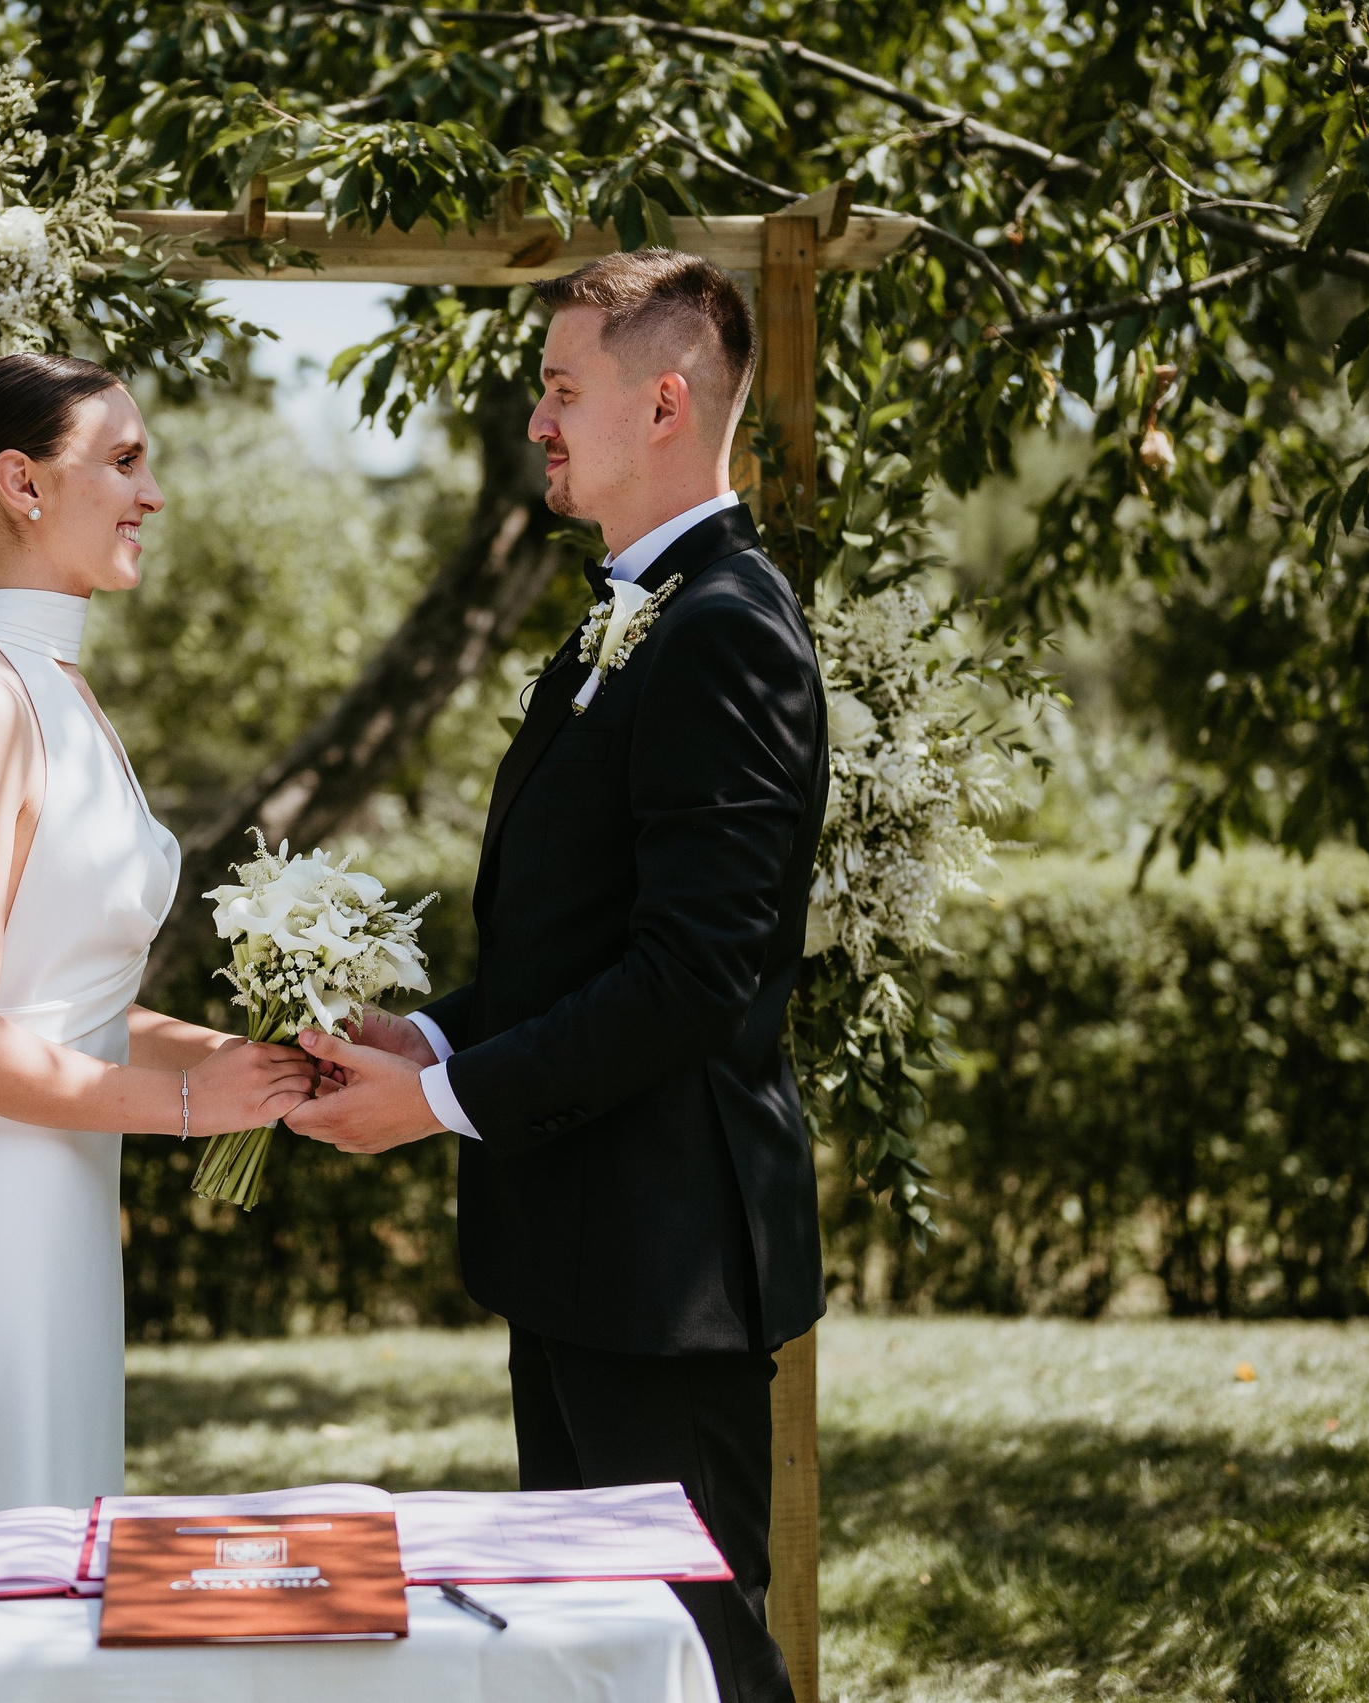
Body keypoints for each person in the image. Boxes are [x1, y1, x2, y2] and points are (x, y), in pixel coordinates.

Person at [285, 251, 828, 1703]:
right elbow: (577, 943)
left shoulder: (727, 632)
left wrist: (446, 1098)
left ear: (662, 402)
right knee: (595, 1665)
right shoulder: (619, 619)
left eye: (561, 388)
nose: (538, 419)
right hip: (582, 1254)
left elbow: (696, 976)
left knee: (699, 1662)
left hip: (667, 1270)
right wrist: (432, 1029)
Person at [0, 353, 316, 1527]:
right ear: (21, 485)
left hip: (48, 1214)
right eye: (125, 463)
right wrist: (194, 1109)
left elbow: (56, 1004)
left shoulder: (61, 692)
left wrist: (251, 1069)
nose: (152, 494)